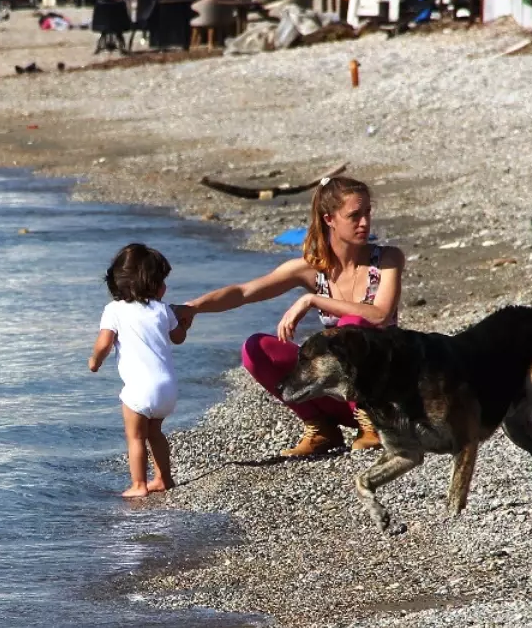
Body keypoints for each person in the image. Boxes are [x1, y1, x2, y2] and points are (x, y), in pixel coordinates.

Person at [180, 176, 404, 456]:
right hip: (342, 399)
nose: (365, 223)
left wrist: (311, 299)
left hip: (390, 396)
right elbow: (244, 291)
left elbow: (380, 314)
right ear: (329, 219)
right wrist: (193, 307)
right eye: (354, 216)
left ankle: (373, 424)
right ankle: (322, 428)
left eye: (367, 213)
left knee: (351, 328)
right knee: (256, 349)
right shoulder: (311, 269)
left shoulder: (387, 260)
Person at [89, 244, 190, 498]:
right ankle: (164, 479)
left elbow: (104, 343)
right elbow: (178, 338)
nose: (165, 287)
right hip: (168, 390)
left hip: (139, 390)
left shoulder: (115, 310)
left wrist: (95, 361)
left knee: (135, 437)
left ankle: (139, 485)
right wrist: (184, 323)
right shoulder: (163, 310)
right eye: (162, 281)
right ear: (149, 283)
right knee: (155, 432)